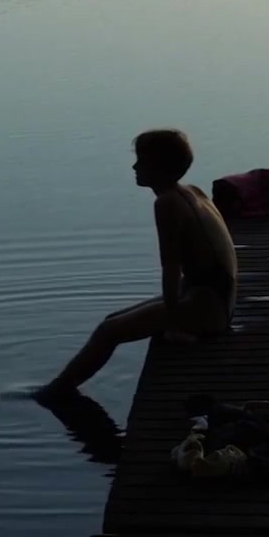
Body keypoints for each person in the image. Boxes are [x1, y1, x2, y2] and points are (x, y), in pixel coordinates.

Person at [33, 128, 238, 399]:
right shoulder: (191, 191)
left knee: (108, 332)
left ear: (159, 167)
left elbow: (171, 268)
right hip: (215, 299)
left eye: (141, 161)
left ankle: (55, 391)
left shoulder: (167, 204)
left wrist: (173, 319)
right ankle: (59, 388)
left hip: (209, 310)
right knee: (111, 320)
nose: (134, 167)